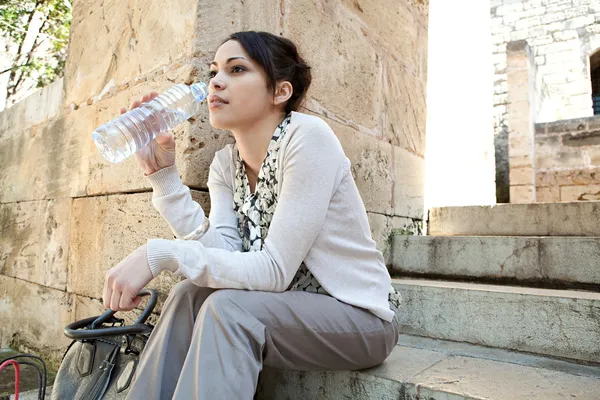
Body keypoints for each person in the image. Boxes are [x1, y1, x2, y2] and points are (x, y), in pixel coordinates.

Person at [102, 31, 402, 400]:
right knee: (187, 295)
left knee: (227, 309)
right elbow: (226, 256)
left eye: (236, 69)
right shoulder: (225, 165)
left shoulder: (308, 137)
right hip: (281, 311)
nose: (215, 82)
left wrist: (161, 254)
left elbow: (274, 271)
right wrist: (164, 179)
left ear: (280, 92)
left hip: (359, 320)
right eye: (213, 72)